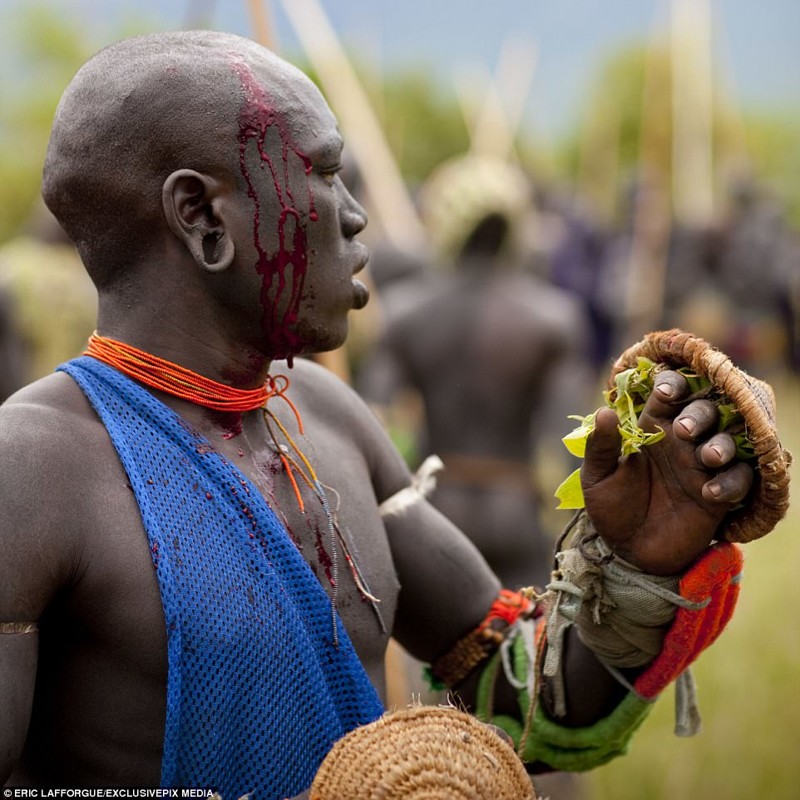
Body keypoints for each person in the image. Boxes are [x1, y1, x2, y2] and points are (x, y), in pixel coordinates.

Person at [0, 31, 754, 799]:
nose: (357, 218)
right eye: (326, 174)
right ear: (201, 216)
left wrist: (637, 564)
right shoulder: (31, 465)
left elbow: (527, 702)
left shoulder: (326, 417)